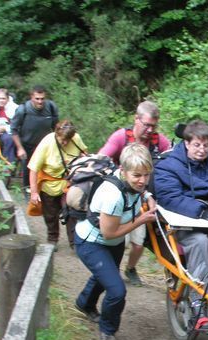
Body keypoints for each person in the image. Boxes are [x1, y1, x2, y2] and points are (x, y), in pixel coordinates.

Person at [155, 120, 208, 326]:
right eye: (197, 145)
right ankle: (199, 304)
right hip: (187, 224)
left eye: (206, 145)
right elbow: (170, 198)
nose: (201, 150)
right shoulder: (168, 166)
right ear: (186, 143)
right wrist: (201, 213)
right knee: (199, 242)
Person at [74, 143, 158, 340]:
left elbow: (140, 190)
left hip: (113, 243)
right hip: (92, 243)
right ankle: (107, 330)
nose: (143, 180)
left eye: (147, 175)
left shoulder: (132, 183)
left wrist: (148, 195)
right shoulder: (113, 196)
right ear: (123, 171)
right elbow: (108, 232)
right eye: (137, 175)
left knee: (104, 277)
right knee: (117, 291)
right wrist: (141, 220)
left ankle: (84, 303)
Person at [99, 100, 172, 286]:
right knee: (116, 239)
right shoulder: (120, 137)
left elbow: (172, 160)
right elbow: (102, 157)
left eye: (153, 126)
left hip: (142, 199)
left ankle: (130, 268)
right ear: (136, 119)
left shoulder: (159, 141)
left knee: (138, 243)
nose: (149, 130)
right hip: (119, 196)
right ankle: (110, 273)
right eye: (146, 125)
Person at [28, 120, 87, 248]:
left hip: (69, 183)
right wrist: (34, 192)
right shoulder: (47, 143)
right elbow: (33, 169)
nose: (65, 143)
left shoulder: (75, 138)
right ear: (56, 134)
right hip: (49, 185)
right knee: (50, 214)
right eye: (62, 140)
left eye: (68, 140)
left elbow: (84, 154)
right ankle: (52, 238)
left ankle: (74, 242)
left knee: (72, 212)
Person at [11, 85, 59, 190]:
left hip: (45, 146)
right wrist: (20, 148)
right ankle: (28, 193)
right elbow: (13, 129)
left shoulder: (51, 107)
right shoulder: (22, 110)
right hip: (27, 145)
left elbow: (56, 127)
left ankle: (44, 192)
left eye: (42, 99)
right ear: (31, 97)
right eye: (37, 98)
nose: (40, 102)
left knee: (47, 170)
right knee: (29, 171)